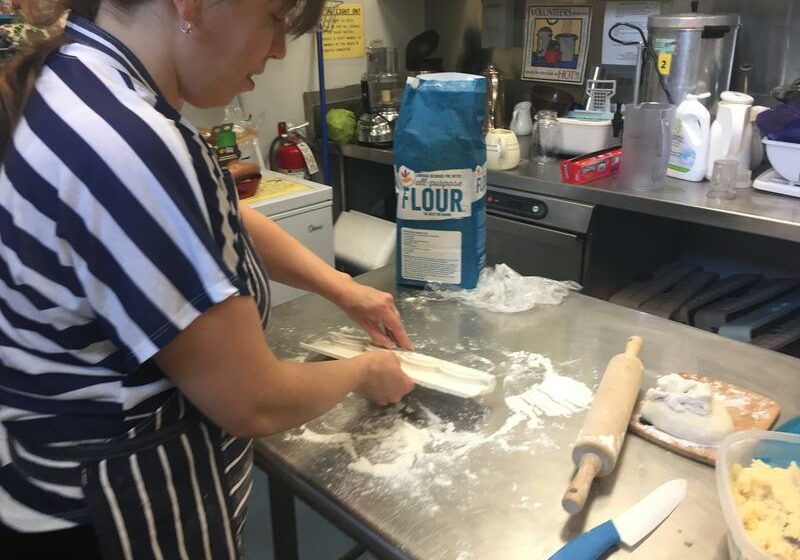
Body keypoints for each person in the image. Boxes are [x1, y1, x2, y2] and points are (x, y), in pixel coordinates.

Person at [0, 0, 415, 557]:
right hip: (113, 519)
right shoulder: (129, 145)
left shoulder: (81, 80)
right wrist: (364, 370)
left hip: (48, 490)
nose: (278, 48)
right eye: (273, 17)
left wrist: (344, 287)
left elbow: (218, 215)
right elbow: (253, 400)